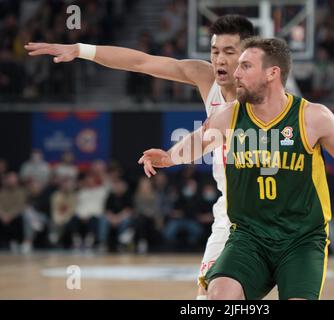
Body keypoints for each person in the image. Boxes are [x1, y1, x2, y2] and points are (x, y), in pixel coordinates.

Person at [138, 37, 334, 300]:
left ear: (272, 73)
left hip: (301, 239)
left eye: (245, 66)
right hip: (249, 235)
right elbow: (199, 142)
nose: (235, 73)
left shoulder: (312, 117)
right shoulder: (229, 116)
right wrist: (168, 156)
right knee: (219, 297)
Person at [25, 15, 255, 299]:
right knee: (208, 299)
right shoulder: (205, 77)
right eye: (215, 51)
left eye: (229, 52)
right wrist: (80, 49)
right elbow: (140, 62)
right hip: (230, 215)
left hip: (274, 215)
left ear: (248, 56)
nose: (219, 59)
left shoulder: (267, 96)